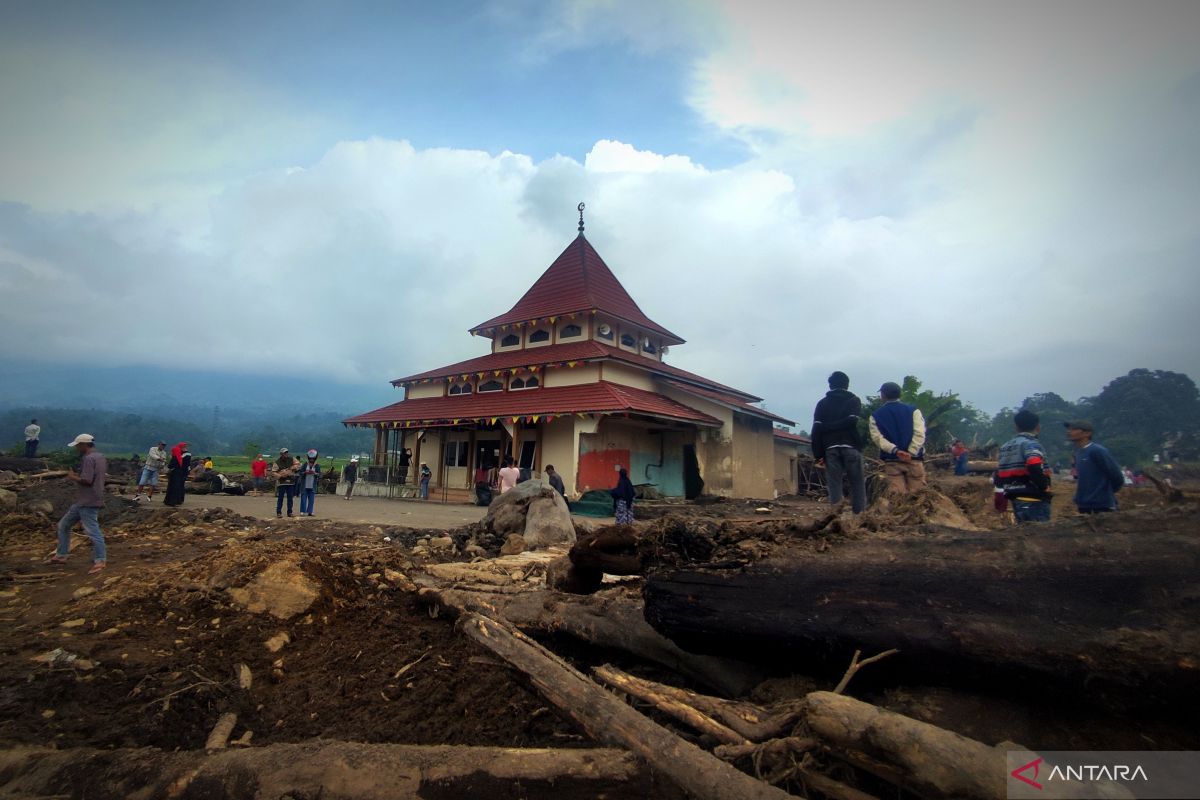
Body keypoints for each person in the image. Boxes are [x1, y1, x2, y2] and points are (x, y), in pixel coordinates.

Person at [47, 434, 107, 574]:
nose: (76, 449)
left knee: (93, 531)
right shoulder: (100, 457)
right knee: (63, 525)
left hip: (88, 500)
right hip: (86, 500)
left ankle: (100, 560)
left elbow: (86, 480)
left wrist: (72, 476)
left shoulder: (88, 459)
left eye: (78, 446)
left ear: (84, 445)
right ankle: (61, 555)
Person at [810, 371, 866, 514]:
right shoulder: (854, 400)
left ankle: (836, 517)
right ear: (847, 385)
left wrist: (818, 454)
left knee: (834, 485)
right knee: (857, 483)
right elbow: (852, 421)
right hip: (851, 446)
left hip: (831, 448)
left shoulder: (822, 404)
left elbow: (816, 429)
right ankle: (859, 518)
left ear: (830, 385)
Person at [869, 381, 927, 495]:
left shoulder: (875, 415)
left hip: (892, 461)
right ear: (900, 394)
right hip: (913, 460)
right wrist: (910, 452)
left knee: (897, 498)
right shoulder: (914, 411)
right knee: (918, 497)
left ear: (883, 395)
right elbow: (920, 434)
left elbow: (878, 439)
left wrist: (896, 451)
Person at [995, 410, 1053, 523]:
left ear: (1016, 428)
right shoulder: (1031, 444)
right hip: (1033, 497)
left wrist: (1000, 498)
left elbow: (999, 474)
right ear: (1038, 427)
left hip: (1015, 497)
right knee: (1039, 536)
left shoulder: (1005, 446)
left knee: (1025, 534)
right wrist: (1044, 487)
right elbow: (1034, 465)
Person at [1065, 421, 1124, 513]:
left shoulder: (1097, 451)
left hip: (1101, 505)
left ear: (1087, 433)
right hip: (1084, 504)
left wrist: (1104, 493)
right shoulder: (1078, 453)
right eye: (1069, 429)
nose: (1069, 432)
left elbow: (1117, 476)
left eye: (1074, 429)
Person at [164, 442, 190, 507]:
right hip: (178, 474)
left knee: (172, 487)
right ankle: (173, 501)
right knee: (176, 487)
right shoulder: (179, 458)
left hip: (174, 474)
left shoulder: (176, 457)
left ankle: (169, 501)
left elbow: (170, 466)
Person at [274, 447, 298, 517]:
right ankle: (279, 512)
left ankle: (290, 512)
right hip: (282, 482)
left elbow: (298, 464)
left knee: (290, 498)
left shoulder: (292, 459)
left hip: (290, 482)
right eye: (284, 453)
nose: (286, 454)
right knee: (280, 497)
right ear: (281, 454)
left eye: (286, 452)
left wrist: (290, 469)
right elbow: (274, 472)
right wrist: (281, 475)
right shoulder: (277, 462)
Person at [298, 449, 321, 516]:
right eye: (310, 458)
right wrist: (305, 472)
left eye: (313, 458)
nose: (311, 460)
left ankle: (310, 511)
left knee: (311, 499)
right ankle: (302, 511)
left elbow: (320, 474)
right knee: (303, 498)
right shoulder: (305, 464)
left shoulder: (317, 465)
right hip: (304, 485)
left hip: (312, 485)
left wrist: (315, 473)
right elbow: (300, 473)